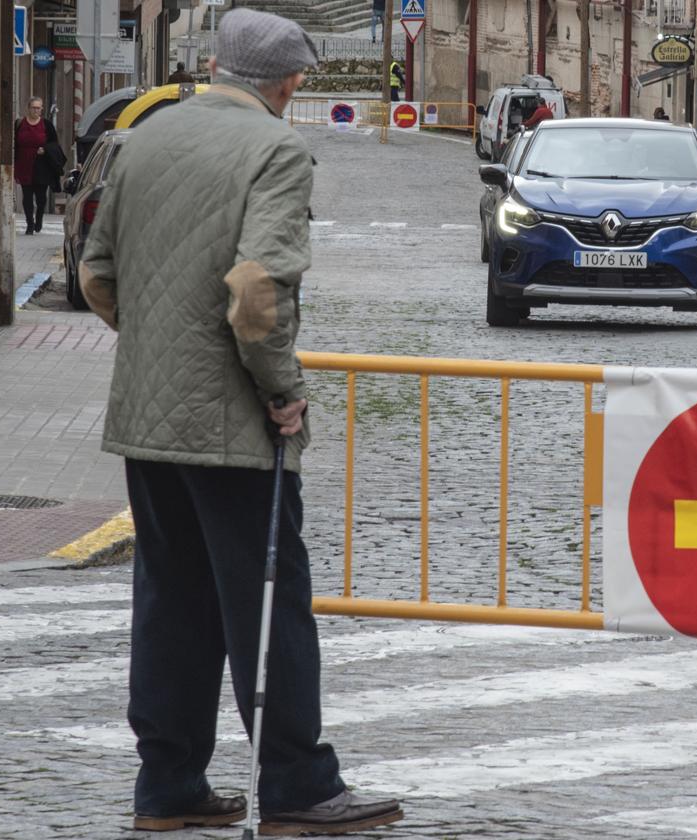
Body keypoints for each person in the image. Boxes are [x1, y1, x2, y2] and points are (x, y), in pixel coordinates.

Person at [78, 8, 404, 836]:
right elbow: (257, 292)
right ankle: (297, 786)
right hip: (231, 425)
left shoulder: (143, 135)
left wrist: (157, 350)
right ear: (287, 83)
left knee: (169, 602)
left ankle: (169, 785)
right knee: (269, 605)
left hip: (145, 418)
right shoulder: (276, 148)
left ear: (219, 65)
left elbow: (95, 273)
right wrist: (283, 389)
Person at [14, 97, 63, 235]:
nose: (36, 110)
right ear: (28, 108)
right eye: (34, 108)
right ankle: (30, 224)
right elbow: (14, 144)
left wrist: (45, 149)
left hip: (42, 166)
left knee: (41, 197)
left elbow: (54, 143)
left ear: (42, 109)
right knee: (27, 196)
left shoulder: (46, 125)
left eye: (39, 108)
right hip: (24, 164)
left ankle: (39, 218)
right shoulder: (19, 124)